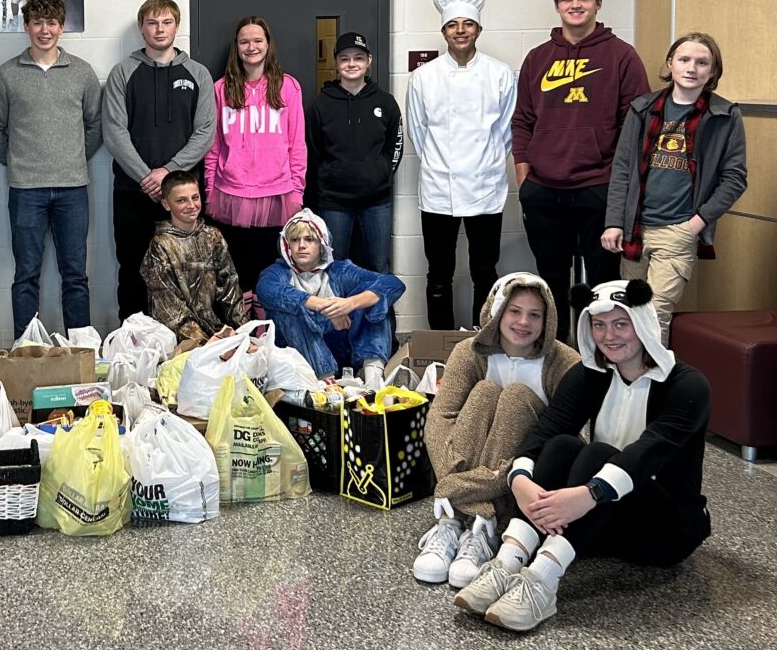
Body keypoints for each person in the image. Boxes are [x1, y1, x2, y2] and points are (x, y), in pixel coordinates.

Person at [455, 279, 711, 632]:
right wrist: (521, 481)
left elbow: (646, 454)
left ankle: (542, 582)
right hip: (600, 522)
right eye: (599, 324)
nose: (609, 336)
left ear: (644, 324)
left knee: (600, 454)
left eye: (621, 324)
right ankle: (508, 562)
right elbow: (544, 432)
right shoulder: (591, 375)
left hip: (665, 531)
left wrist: (588, 494)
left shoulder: (688, 386)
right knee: (562, 445)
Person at [416, 273, 579, 588]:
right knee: (485, 393)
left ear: (548, 320)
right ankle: (460, 521)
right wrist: (456, 478)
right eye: (514, 311)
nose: (523, 322)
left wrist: (450, 487)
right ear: (497, 310)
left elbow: (568, 439)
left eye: (535, 314)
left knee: (516, 397)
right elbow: (440, 419)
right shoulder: (470, 352)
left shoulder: (564, 361)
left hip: (524, 481)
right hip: (470, 464)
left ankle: (485, 522)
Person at [512, 0, 650, 340]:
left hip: (598, 186)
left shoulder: (621, 56)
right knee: (551, 280)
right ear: (557, 5)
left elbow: (636, 125)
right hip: (543, 188)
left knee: (603, 282)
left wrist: (617, 183)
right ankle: (558, 354)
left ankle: (602, 358)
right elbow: (522, 120)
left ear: (597, 4)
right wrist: (524, 177)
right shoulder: (538, 57)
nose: (576, 5)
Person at [603, 32, 747, 344]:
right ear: (671, 63)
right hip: (636, 229)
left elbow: (735, 178)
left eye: (702, 62)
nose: (691, 67)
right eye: (684, 59)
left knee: (655, 314)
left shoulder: (724, 115)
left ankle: (654, 388)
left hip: (678, 230)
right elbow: (623, 168)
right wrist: (614, 221)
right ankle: (627, 385)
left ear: (712, 71)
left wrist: (696, 224)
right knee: (630, 313)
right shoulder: (642, 108)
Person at [0, 0, 102, 339]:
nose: (44, 29)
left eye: (51, 22)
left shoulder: (81, 72)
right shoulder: (7, 75)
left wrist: (72, 158)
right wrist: (18, 161)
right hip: (26, 190)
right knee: (26, 275)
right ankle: (26, 351)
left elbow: (95, 125)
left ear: (61, 27)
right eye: (37, 22)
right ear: (26, 27)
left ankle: (82, 352)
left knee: (75, 276)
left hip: (72, 189)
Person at [407, 0, 517, 328]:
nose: (460, 31)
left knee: (485, 271)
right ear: (443, 31)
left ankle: (482, 340)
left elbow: (506, 131)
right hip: (440, 187)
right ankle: (441, 344)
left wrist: (485, 163)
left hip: (485, 187)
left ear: (478, 29)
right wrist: (441, 164)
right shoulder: (424, 77)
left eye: (467, 24)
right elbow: (418, 131)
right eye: (453, 25)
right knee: (439, 272)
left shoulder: (500, 74)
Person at [103, 0, 216, 321]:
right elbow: (114, 132)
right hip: (133, 191)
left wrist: (166, 174)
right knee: (133, 266)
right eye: (152, 23)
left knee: (186, 267)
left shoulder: (198, 74)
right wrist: (145, 177)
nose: (159, 29)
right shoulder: (123, 73)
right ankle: (133, 339)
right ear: (142, 28)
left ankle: (186, 340)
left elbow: (205, 132)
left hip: (182, 195)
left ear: (176, 27)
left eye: (166, 22)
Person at [204, 16, 306, 292]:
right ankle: (242, 332)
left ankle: (265, 329)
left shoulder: (288, 87)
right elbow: (213, 146)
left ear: (268, 44)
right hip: (231, 194)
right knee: (235, 273)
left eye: (257, 40)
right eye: (244, 41)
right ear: (236, 47)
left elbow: (297, 145)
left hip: (276, 194)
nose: (251, 47)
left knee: (270, 273)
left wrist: (297, 191)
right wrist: (210, 189)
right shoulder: (220, 89)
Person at [256, 209, 404, 380]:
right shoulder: (278, 272)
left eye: (309, 239)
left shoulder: (339, 270)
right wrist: (326, 308)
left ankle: (373, 378)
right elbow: (266, 290)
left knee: (376, 299)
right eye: (295, 240)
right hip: (298, 360)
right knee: (286, 308)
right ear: (287, 245)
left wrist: (350, 304)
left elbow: (394, 284)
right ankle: (325, 383)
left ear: (322, 245)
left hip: (342, 350)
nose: (301, 245)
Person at [306, 31, 402, 274]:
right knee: (333, 266)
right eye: (345, 58)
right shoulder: (321, 104)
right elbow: (313, 150)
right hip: (334, 201)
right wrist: (328, 177)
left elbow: (395, 145)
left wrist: (380, 174)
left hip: (376, 200)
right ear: (336, 63)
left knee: (379, 265)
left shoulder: (386, 102)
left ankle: (379, 314)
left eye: (358, 58)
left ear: (369, 61)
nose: (352, 64)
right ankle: (337, 313)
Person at [140, 171, 246, 341]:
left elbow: (230, 288)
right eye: (181, 200)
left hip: (215, 331)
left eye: (195, 198)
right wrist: (204, 342)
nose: (191, 205)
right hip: (178, 337)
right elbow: (169, 309)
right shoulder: (161, 246)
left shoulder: (213, 236)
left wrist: (243, 332)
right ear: (166, 204)